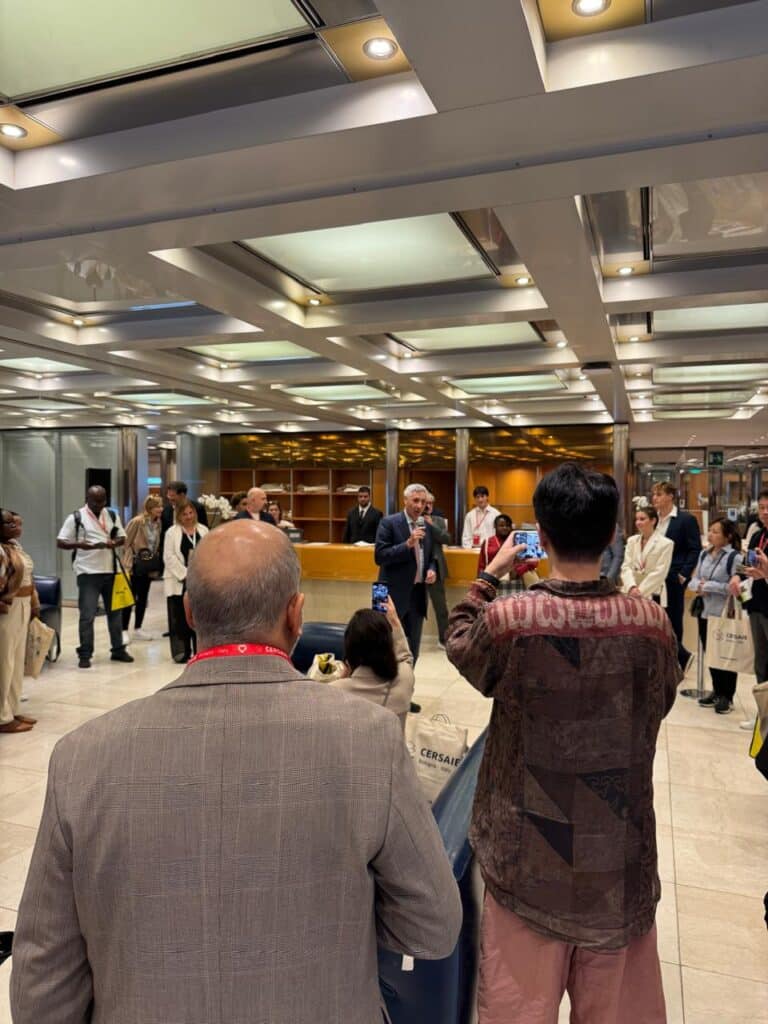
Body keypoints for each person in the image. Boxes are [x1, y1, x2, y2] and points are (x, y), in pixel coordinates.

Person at [10, 518, 462, 1024]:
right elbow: (433, 925)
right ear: (296, 615)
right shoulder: (371, 740)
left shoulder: (81, 756)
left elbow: (42, 984)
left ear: (188, 613)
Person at [447, 462, 681, 1023]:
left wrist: (490, 574)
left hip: (524, 862)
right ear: (611, 535)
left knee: (517, 1009)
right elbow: (661, 700)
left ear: (541, 535)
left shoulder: (510, 619)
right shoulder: (650, 624)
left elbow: (459, 643)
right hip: (617, 868)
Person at [57, 485, 134, 669]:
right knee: (87, 615)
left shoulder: (111, 515)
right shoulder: (76, 517)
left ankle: (118, 649)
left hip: (110, 571)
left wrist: (112, 543)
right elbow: (61, 541)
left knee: (115, 614)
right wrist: (81, 545)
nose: (99, 505)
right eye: (95, 502)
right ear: (87, 499)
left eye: (102, 501)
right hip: (88, 573)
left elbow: (123, 537)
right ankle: (85, 653)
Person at [374, 483, 437, 661]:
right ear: (405, 500)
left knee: (412, 649)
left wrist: (432, 570)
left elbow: (432, 557)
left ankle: (406, 684)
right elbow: (379, 556)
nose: (419, 506)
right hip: (389, 594)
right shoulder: (388, 523)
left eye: (423, 502)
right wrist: (407, 545)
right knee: (385, 645)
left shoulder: (427, 526)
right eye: (415, 500)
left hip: (417, 594)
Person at [331, 596, 415, 729]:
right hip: (392, 750)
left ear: (350, 650)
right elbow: (405, 658)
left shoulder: (334, 691)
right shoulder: (404, 680)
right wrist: (394, 619)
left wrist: (345, 674)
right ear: (388, 646)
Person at [689, 517, 743, 715]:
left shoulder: (734, 557)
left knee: (726, 654)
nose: (710, 534)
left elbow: (733, 586)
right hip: (704, 611)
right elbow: (693, 581)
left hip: (723, 613)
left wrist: (706, 586)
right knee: (711, 653)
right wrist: (698, 586)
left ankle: (727, 696)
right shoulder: (704, 554)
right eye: (709, 530)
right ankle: (717, 691)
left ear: (727, 536)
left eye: (715, 531)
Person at [651, 481, 702, 672]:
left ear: (671, 496)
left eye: (659, 494)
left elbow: (694, 548)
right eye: (654, 494)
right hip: (653, 577)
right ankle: (659, 657)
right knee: (655, 617)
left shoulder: (685, 519)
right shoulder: (652, 519)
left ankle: (677, 660)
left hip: (673, 577)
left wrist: (684, 575)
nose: (655, 497)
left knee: (673, 618)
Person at [729, 489, 768, 711]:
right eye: (761, 508)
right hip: (756, 605)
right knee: (760, 661)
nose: (765, 512)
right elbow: (745, 563)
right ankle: (763, 715)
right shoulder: (757, 535)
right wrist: (737, 576)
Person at [0, 509, 38, 734]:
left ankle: (12, 709)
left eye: (18, 524)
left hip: (22, 605)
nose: (16, 527)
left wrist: (34, 605)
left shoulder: (14, 546)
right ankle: (2, 717)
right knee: (4, 662)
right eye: (10, 524)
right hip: (7, 609)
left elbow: (27, 577)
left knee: (15, 662)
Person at [163, 499, 209, 663]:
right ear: (179, 516)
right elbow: (169, 557)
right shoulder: (171, 532)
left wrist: (197, 573)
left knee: (198, 617)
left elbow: (209, 553)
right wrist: (185, 574)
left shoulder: (203, 530)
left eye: (191, 513)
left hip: (199, 579)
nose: (188, 517)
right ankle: (182, 652)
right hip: (179, 580)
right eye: (185, 514)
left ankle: (200, 650)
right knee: (180, 617)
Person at [122, 494, 163, 641]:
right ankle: (123, 630)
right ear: (150, 508)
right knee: (130, 598)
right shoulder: (137, 522)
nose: (160, 509)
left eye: (161, 506)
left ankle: (138, 628)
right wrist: (129, 559)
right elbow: (124, 541)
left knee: (143, 598)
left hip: (149, 566)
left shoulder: (158, 523)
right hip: (135, 565)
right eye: (157, 506)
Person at [620, 505, 674, 605]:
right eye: (636, 519)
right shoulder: (632, 541)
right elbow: (626, 566)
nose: (638, 522)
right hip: (630, 591)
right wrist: (632, 587)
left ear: (653, 521)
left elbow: (660, 572)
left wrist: (640, 591)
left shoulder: (666, 544)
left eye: (642, 519)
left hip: (652, 592)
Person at [478, 514, 539, 595]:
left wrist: (520, 569)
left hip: (518, 575)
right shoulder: (488, 542)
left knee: (529, 573)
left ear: (511, 527)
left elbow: (533, 561)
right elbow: (482, 564)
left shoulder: (519, 540)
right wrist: (480, 579)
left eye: (507, 525)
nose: (505, 528)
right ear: (495, 527)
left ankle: (536, 597)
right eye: (501, 525)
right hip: (496, 574)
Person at [424, 491, 450, 647]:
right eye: (425, 502)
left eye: (430, 503)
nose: (427, 506)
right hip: (417, 568)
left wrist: (431, 525)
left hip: (436, 567)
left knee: (441, 607)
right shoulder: (413, 520)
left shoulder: (439, 521)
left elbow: (446, 538)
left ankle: (443, 639)